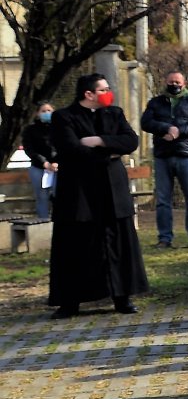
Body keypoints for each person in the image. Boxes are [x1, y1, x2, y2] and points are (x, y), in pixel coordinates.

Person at [48, 74, 148, 317]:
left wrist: (99, 140)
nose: (108, 92)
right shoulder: (64, 117)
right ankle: (70, 301)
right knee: (76, 246)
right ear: (89, 94)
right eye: (103, 89)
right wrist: (108, 154)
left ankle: (122, 298)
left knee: (118, 245)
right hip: (79, 193)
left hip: (112, 191)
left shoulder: (114, 113)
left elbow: (130, 141)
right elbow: (71, 149)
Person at [140, 69, 188, 249]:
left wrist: (179, 131)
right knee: (163, 201)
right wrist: (165, 128)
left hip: (187, 155)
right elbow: (145, 122)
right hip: (163, 156)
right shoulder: (156, 102)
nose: (174, 85)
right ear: (166, 82)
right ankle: (165, 238)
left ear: (184, 83)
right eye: (171, 82)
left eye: (177, 82)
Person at [22, 102, 57, 220]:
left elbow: (65, 146)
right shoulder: (30, 130)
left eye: (49, 110)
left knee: (60, 195)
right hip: (38, 167)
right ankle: (43, 221)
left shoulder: (60, 128)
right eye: (43, 111)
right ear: (37, 114)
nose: (47, 113)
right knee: (42, 197)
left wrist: (57, 162)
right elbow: (29, 149)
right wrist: (44, 162)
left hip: (58, 167)